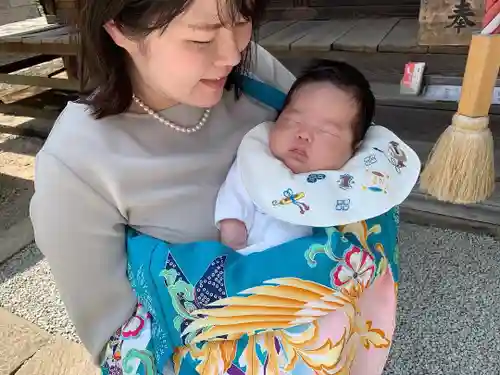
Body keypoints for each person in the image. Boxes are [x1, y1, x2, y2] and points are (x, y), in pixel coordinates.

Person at [29, 0, 294, 372]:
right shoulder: (76, 165)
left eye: (242, 20)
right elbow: (121, 348)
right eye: (201, 39)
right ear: (118, 28)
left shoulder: (256, 72)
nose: (232, 54)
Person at [216, 59, 376, 252]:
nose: (304, 134)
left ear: (354, 149)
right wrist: (233, 238)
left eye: (326, 131)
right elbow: (234, 198)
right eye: (293, 120)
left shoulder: (354, 181)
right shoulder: (258, 161)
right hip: (252, 260)